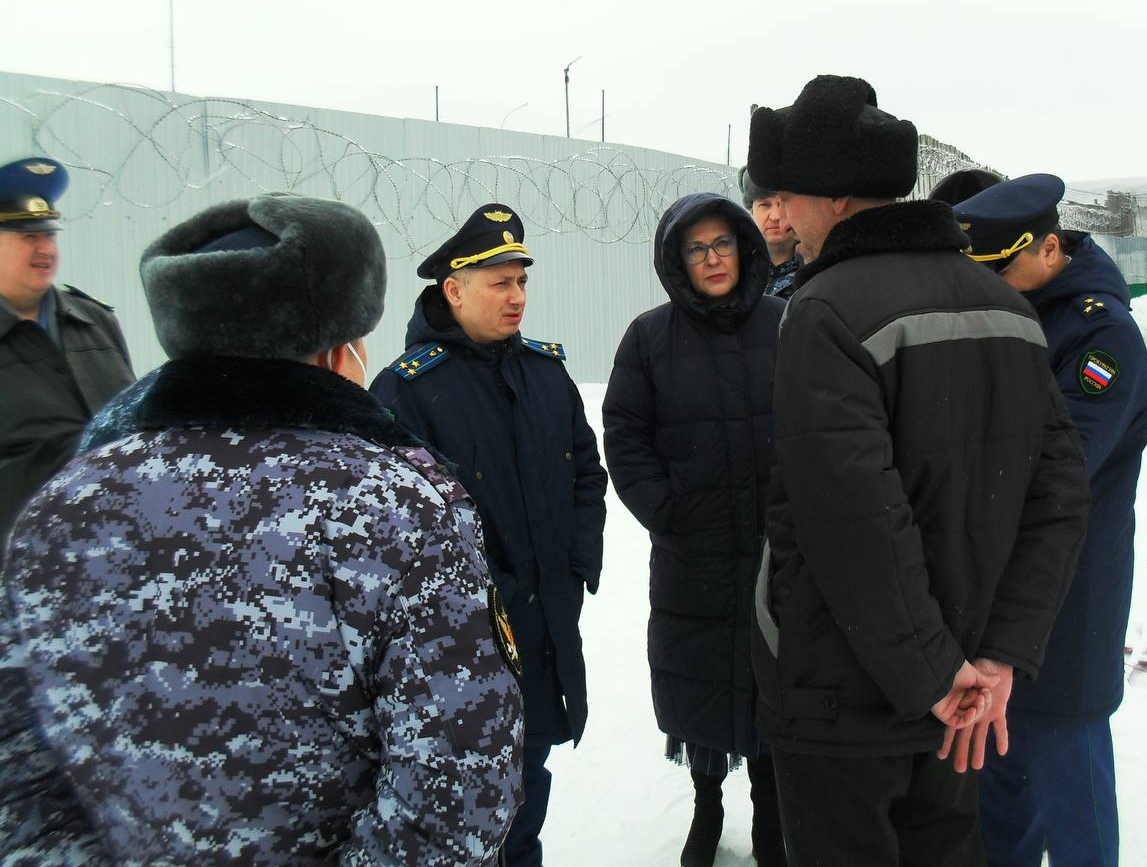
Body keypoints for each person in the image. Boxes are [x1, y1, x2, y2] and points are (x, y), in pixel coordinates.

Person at [1, 194, 524, 865]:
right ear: (341, 351)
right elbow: (459, 791)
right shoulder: (393, 506)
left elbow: (22, 781)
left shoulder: (58, 511)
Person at [746, 75, 1091, 867]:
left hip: (846, 699)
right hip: (959, 694)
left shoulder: (826, 310)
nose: (780, 218)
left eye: (788, 195)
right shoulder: (1002, 302)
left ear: (835, 200)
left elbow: (852, 519)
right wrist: (994, 656)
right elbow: (1060, 494)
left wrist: (936, 674)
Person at [370, 203, 607, 867]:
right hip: (462, 645)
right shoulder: (408, 390)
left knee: (529, 786)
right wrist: (484, 600)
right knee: (469, 806)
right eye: (500, 282)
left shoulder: (543, 373)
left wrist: (574, 564)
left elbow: (586, 474)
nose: (517, 297)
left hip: (546, 624)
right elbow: (402, 532)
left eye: (521, 281)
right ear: (454, 290)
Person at [955, 174, 1147, 867]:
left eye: (1003, 269)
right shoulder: (1006, 310)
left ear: (1048, 248)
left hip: (1070, 597)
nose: (993, 285)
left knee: (1073, 792)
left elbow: (1057, 467)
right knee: (999, 786)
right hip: (996, 593)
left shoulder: (1103, 338)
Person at [602, 192, 787, 867]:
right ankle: (707, 807)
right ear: (676, 260)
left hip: (779, 556)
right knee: (702, 685)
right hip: (694, 553)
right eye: (696, 248)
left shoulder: (787, 324)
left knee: (775, 688)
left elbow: (820, 424)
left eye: (723, 244)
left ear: (746, 248)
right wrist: (669, 510)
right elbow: (624, 435)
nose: (713, 259)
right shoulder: (650, 338)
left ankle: (773, 819)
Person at [0, 156, 134, 544]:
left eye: (49, 234)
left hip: (121, 551)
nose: (45, 249)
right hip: (23, 567)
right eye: (28, 237)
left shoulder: (95, 321)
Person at [739, 166, 801, 297]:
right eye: (764, 205)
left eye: (783, 203)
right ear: (752, 211)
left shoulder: (814, 270)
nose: (775, 216)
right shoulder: (736, 269)